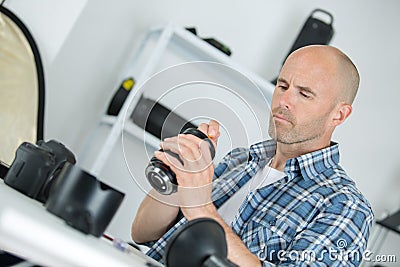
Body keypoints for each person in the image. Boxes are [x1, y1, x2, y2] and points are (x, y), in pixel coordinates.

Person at [131, 45, 374, 266]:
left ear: (339, 115)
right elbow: (143, 234)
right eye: (283, 86)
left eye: (305, 94)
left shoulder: (346, 207)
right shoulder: (240, 160)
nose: (284, 101)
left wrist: (201, 208)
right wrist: (180, 173)